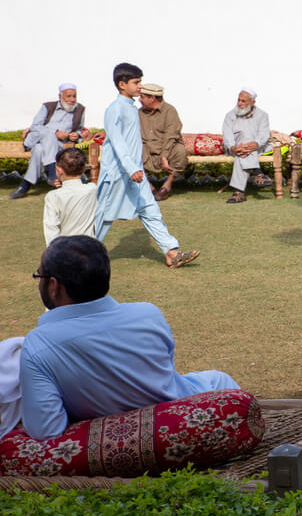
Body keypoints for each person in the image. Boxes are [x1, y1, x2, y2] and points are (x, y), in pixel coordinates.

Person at [20, 236, 238, 440]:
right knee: (219, 380)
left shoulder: (38, 346)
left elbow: (45, 430)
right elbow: (165, 376)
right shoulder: (148, 314)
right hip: (178, 416)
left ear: (55, 285)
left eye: (39, 276)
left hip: (114, 441)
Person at [94, 63, 199, 269]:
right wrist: (130, 168)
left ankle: (172, 253)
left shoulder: (131, 108)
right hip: (119, 172)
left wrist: (136, 168)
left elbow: (127, 138)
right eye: (136, 82)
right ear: (122, 84)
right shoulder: (115, 109)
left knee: (150, 209)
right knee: (105, 215)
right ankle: (79, 255)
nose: (140, 87)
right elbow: (117, 141)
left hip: (135, 171)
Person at [9, 84, 86, 200]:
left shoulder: (80, 109)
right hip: (38, 138)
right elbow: (35, 126)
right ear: (60, 96)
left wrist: (77, 135)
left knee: (39, 150)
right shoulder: (48, 107)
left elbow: (80, 128)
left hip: (59, 145)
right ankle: (52, 172)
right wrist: (55, 132)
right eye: (68, 96)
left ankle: (25, 186)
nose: (72, 100)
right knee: (49, 134)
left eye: (74, 96)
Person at [137, 83, 188, 201]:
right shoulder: (139, 113)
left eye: (142, 97)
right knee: (132, 150)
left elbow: (171, 135)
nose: (139, 100)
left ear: (152, 98)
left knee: (180, 151)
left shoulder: (170, 111)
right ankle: (147, 185)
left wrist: (164, 156)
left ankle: (168, 184)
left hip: (166, 147)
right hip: (147, 148)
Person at [222, 88, 273, 204]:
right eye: (238, 100)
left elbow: (264, 135)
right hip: (235, 148)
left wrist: (256, 144)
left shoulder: (262, 115)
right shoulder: (230, 116)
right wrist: (233, 147)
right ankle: (257, 173)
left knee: (244, 152)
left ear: (252, 103)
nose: (239, 103)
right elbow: (227, 135)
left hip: (257, 148)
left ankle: (239, 192)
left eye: (243, 101)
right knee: (242, 150)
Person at [43, 148, 98, 245]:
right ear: (84, 169)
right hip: (90, 249)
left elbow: (51, 229)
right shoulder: (92, 190)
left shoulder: (52, 196)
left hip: (65, 250)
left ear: (59, 169)